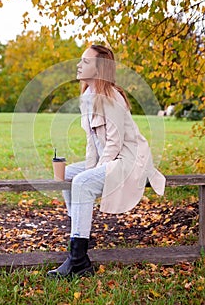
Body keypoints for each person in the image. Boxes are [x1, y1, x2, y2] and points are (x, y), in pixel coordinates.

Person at [47, 44, 166, 278]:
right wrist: (91, 169)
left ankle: (78, 261)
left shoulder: (111, 96)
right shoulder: (88, 97)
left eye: (85, 61)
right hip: (110, 158)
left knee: (82, 182)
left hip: (128, 160)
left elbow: (114, 143)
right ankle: (81, 234)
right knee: (70, 174)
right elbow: (92, 141)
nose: (79, 65)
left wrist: (96, 172)